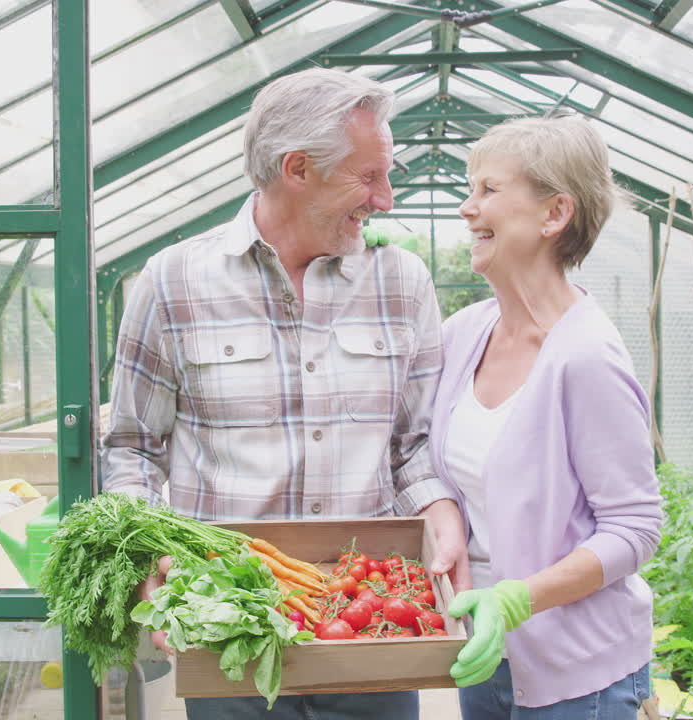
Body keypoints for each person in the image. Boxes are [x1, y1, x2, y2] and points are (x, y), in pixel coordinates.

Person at [101, 67, 468, 719]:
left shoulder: (400, 284)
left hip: (371, 627)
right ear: (298, 169)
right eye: (369, 175)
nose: (384, 199)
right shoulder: (172, 282)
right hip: (231, 635)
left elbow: (414, 449)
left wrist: (440, 508)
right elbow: (132, 449)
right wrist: (149, 545)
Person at [428, 116, 663, 719]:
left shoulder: (585, 357)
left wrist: (518, 600)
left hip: (581, 676)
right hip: (485, 656)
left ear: (554, 214)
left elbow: (635, 528)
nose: (466, 207)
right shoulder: (463, 335)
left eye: (487, 190)